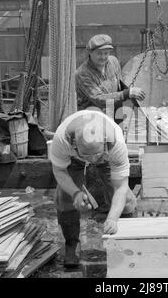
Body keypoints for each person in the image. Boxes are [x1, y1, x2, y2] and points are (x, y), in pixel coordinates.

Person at [50, 110, 137, 268]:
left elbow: (120, 187)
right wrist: (75, 193)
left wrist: (112, 219)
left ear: (104, 142)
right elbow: (59, 171)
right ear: (74, 143)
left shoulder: (115, 142)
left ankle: (126, 242)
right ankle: (72, 245)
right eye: (86, 155)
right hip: (74, 158)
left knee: (126, 201)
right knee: (64, 198)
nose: (91, 160)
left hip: (106, 157)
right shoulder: (62, 138)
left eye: (94, 154)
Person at [75, 34, 146, 117]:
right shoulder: (82, 74)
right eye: (99, 53)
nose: (103, 57)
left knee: (118, 129)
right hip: (92, 117)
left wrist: (131, 96)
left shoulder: (113, 61)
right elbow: (99, 99)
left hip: (114, 111)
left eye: (106, 53)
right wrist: (127, 93)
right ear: (90, 52)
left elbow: (120, 85)